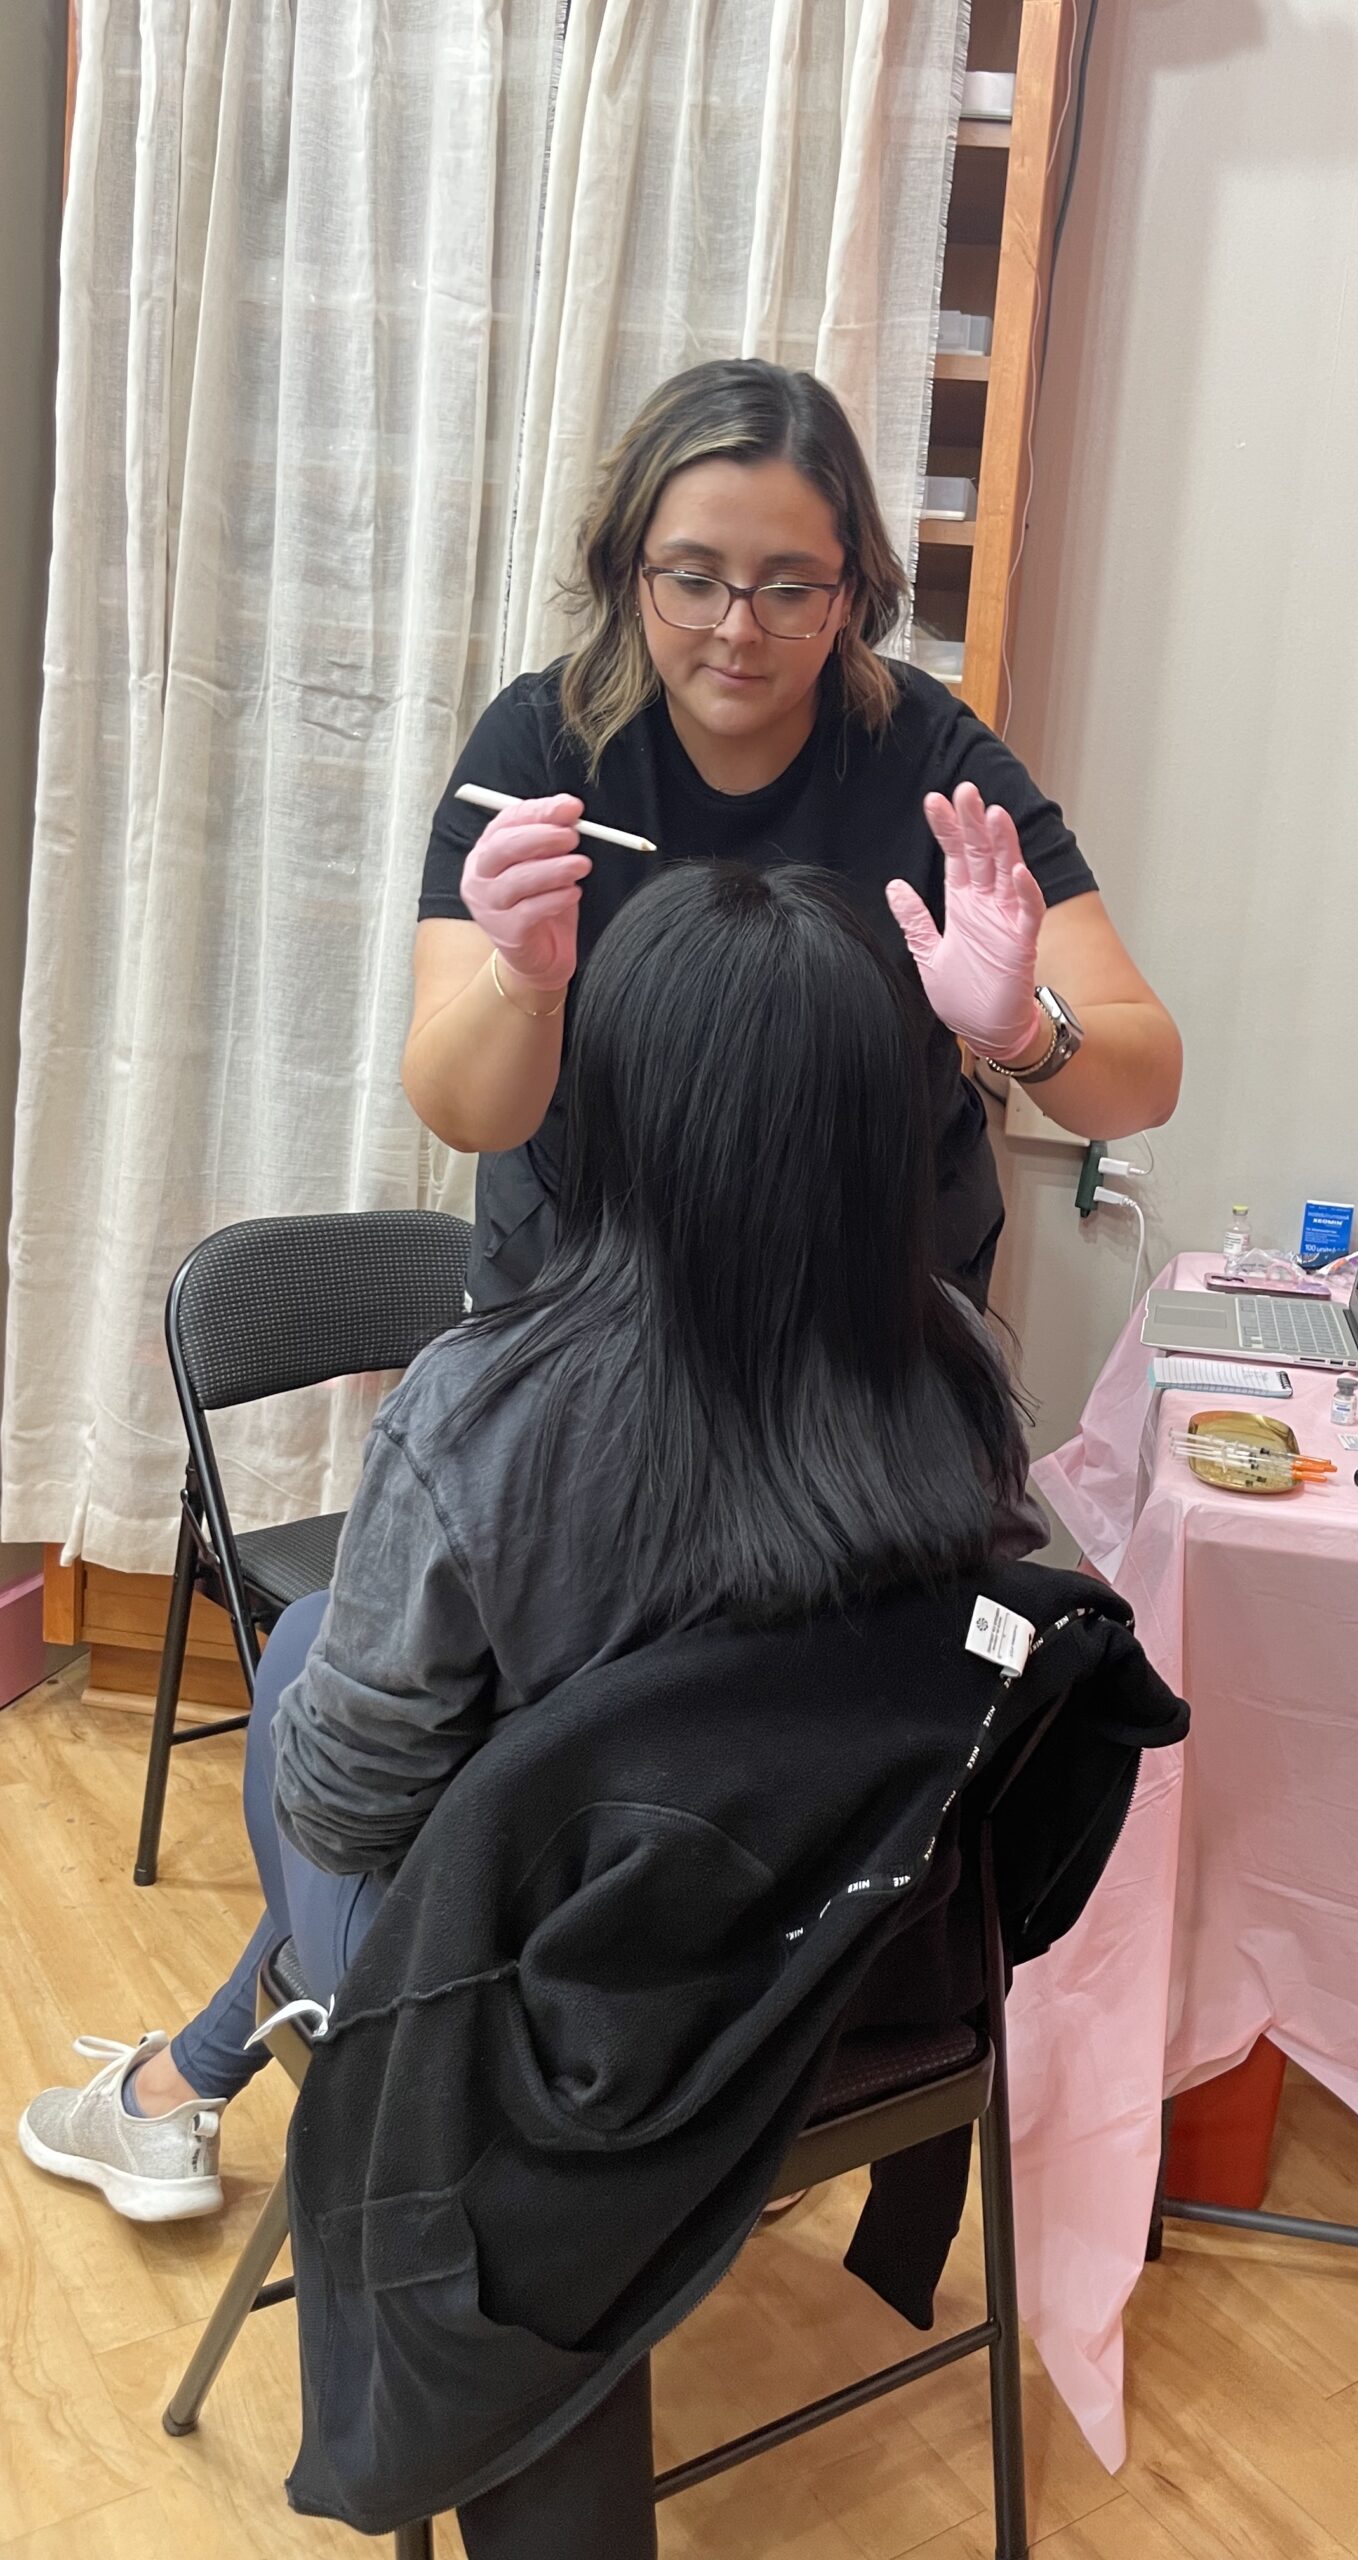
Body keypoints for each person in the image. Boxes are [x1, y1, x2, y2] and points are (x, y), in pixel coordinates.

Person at [20, 861, 1045, 2219]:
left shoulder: (485, 1413)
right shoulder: (963, 1375)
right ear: (881, 1122)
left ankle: (177, 2088)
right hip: (844, 1979)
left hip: (559, 2044)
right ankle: (184, 2076)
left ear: (615, 1107)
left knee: (322, 1654)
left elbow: (339, 1816)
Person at [401, 356, 1181, 1313]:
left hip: (871, 1328)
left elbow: (1142, 1082)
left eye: (789, 588)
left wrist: (1021, 1034)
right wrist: (520, 981)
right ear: (627, 569)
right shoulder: (539, 749)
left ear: (850, 594)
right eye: (692, 579)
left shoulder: (933, 765)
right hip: (587, 1305)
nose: (737, 630)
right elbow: (461, 1110)